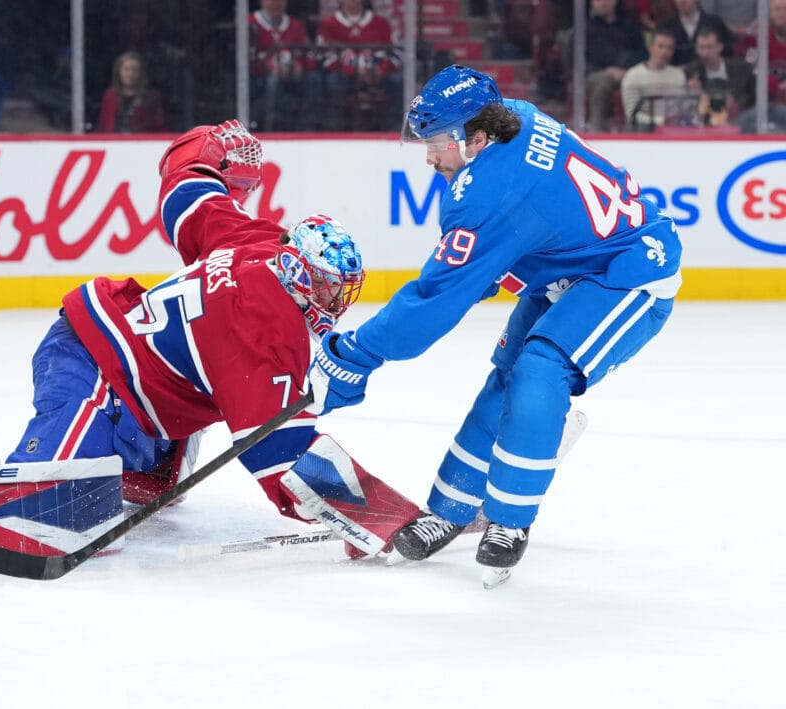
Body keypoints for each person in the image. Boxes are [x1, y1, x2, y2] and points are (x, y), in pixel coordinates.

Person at [0, 120, 374, 578]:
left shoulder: (255, 238)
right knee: (59, 505)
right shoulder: (262, 336)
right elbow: (281, 458)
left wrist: (212, 149)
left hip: (144, 386)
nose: (333, 300)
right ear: (299, 271)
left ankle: (130, 464)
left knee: (140, 475)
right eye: (326, 286)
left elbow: (184, 188)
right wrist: (380, 517)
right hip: (92, 361)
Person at [306, 65, 682, 587]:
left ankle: (508, 520)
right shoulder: (517, 119)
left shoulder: (488, 196)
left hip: (626, 275)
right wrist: (481, 269)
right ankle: (452, 507)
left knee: (538, 372)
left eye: (436, 143)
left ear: (476, 137)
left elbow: (435, 302)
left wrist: (353, 356)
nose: (431, 157)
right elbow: (532, 223)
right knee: (504, 377)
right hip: (569, 269)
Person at [315, 0, 402, 131]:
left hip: (377, 74)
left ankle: (395, 127)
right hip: (344, 75)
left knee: (398, 81)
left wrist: (380, 70)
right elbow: (323, 57)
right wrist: (352, 70)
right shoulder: (328, 24)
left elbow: (396, 54)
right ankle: (336, 126)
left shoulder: (381, 23)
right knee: (332, 80)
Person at [248, 0, 321, 131]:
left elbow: (310, 56)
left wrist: (298, 67)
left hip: (293, 76)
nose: (276, 3)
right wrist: (270, 67)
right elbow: (246, 59)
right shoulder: (251, 23)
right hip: (261, 77)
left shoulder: (296, 25)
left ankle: (311, 125)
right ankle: (274, 126)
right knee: (273, 82)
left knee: (314, 79)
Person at [583, 0, 647, 132]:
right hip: (593, 76)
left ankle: (636, 128)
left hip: (628, 74)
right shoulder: (584, 29)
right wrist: (608, 72)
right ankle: (597, 130)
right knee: (604, 81)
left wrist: (626, 70)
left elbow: (642, 55)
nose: (603, 3)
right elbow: (578, 61)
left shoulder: (630, 28)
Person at [684, 26, 755, 127]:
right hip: (707, 123)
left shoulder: (741, 68)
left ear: (719, 47)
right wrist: (693, 92)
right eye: (701, 48)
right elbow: (688, 108)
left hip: (741, 120)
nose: (705, 52)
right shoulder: (691, 71)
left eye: (709, 47)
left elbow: (757, 97)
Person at [620, 27, 686, 129]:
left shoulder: (679, 75)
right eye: (660, 46)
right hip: (641, 132)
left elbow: (681, 108)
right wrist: (661, 122)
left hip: (674, 131)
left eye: (669, 48)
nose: (665, 51)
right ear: (650, 47)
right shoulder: (633, 76)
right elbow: (632, 114)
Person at [95, 50, 166, 134]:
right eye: (126, 69)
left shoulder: (151, 97)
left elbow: (160, 127)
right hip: (113, 144)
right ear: (119, 72)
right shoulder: (110, 96)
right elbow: (102, 125)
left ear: (141, 73)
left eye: (134, 70)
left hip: (142, 144)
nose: (130, 74)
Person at [659, 0, 732, 67]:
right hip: (675, 76)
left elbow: (728, 53)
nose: (682, 1)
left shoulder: (714, 23)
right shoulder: (665, 25)